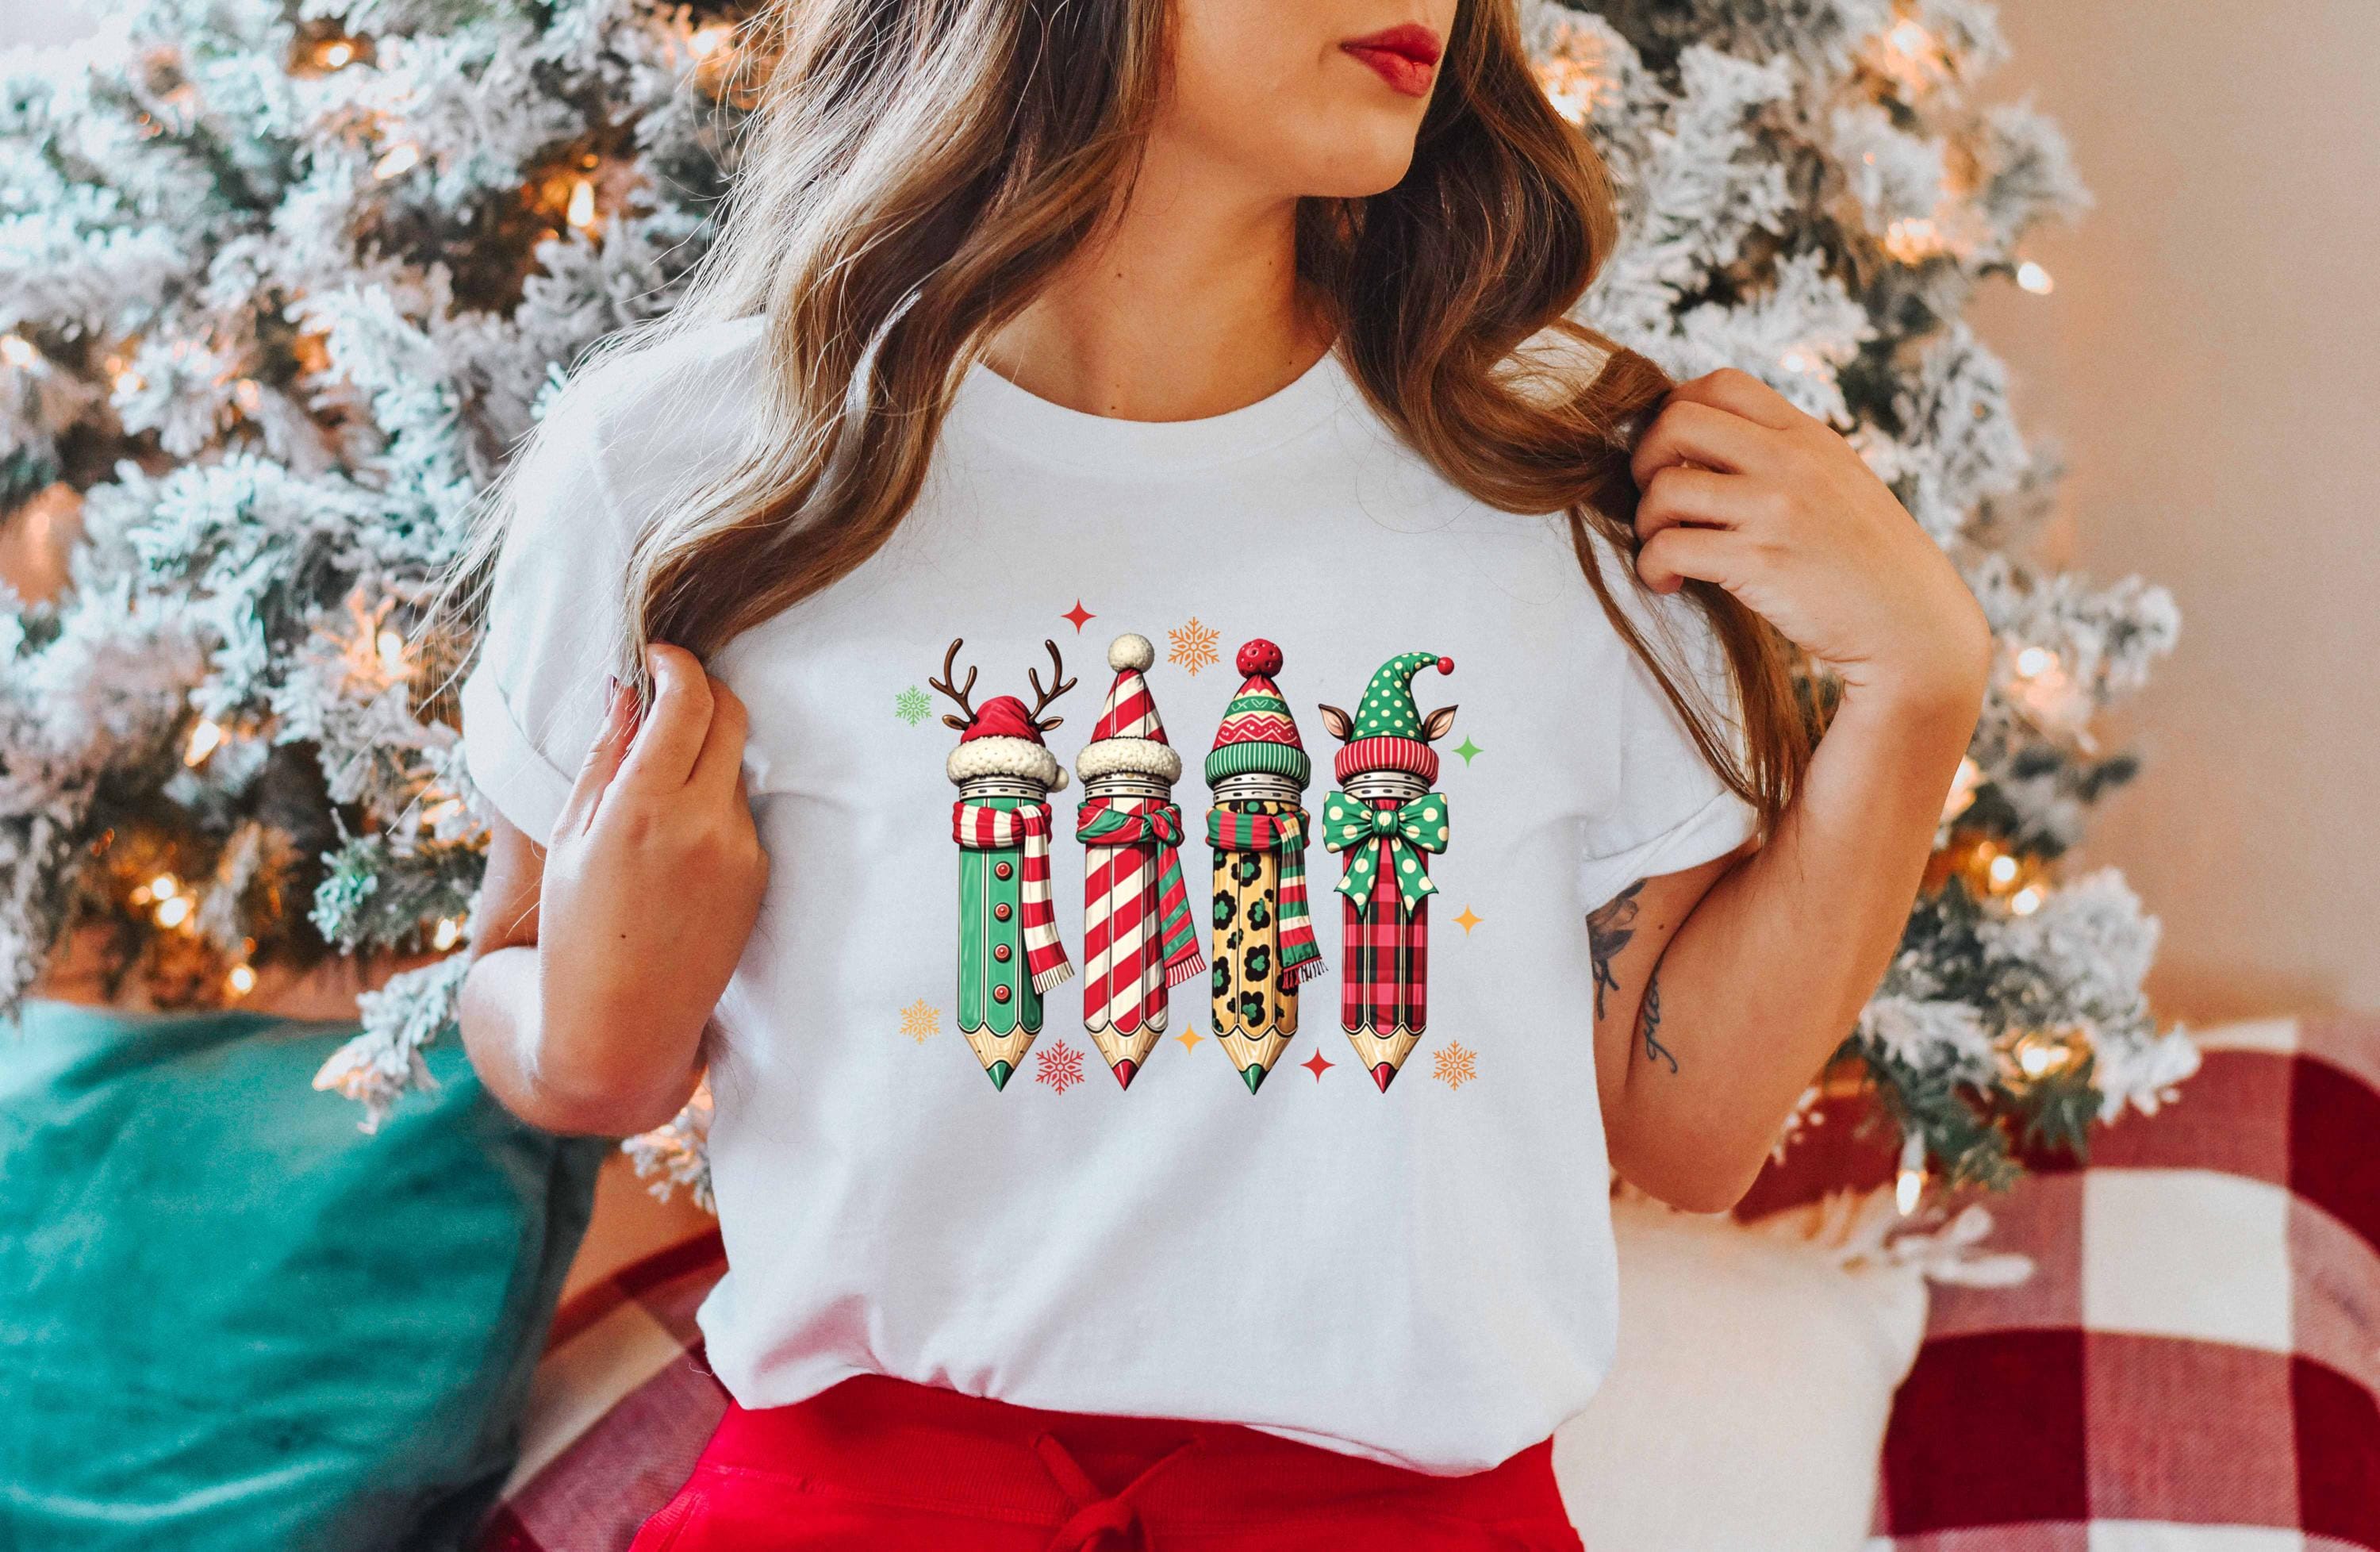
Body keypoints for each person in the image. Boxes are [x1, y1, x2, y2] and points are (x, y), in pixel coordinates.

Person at [443, 0, 1988, 1546]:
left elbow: (1685, 1128)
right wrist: (591, 1035)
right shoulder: (688, 468)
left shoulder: (1557, 481)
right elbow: (524, 995)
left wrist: (1921, 686)